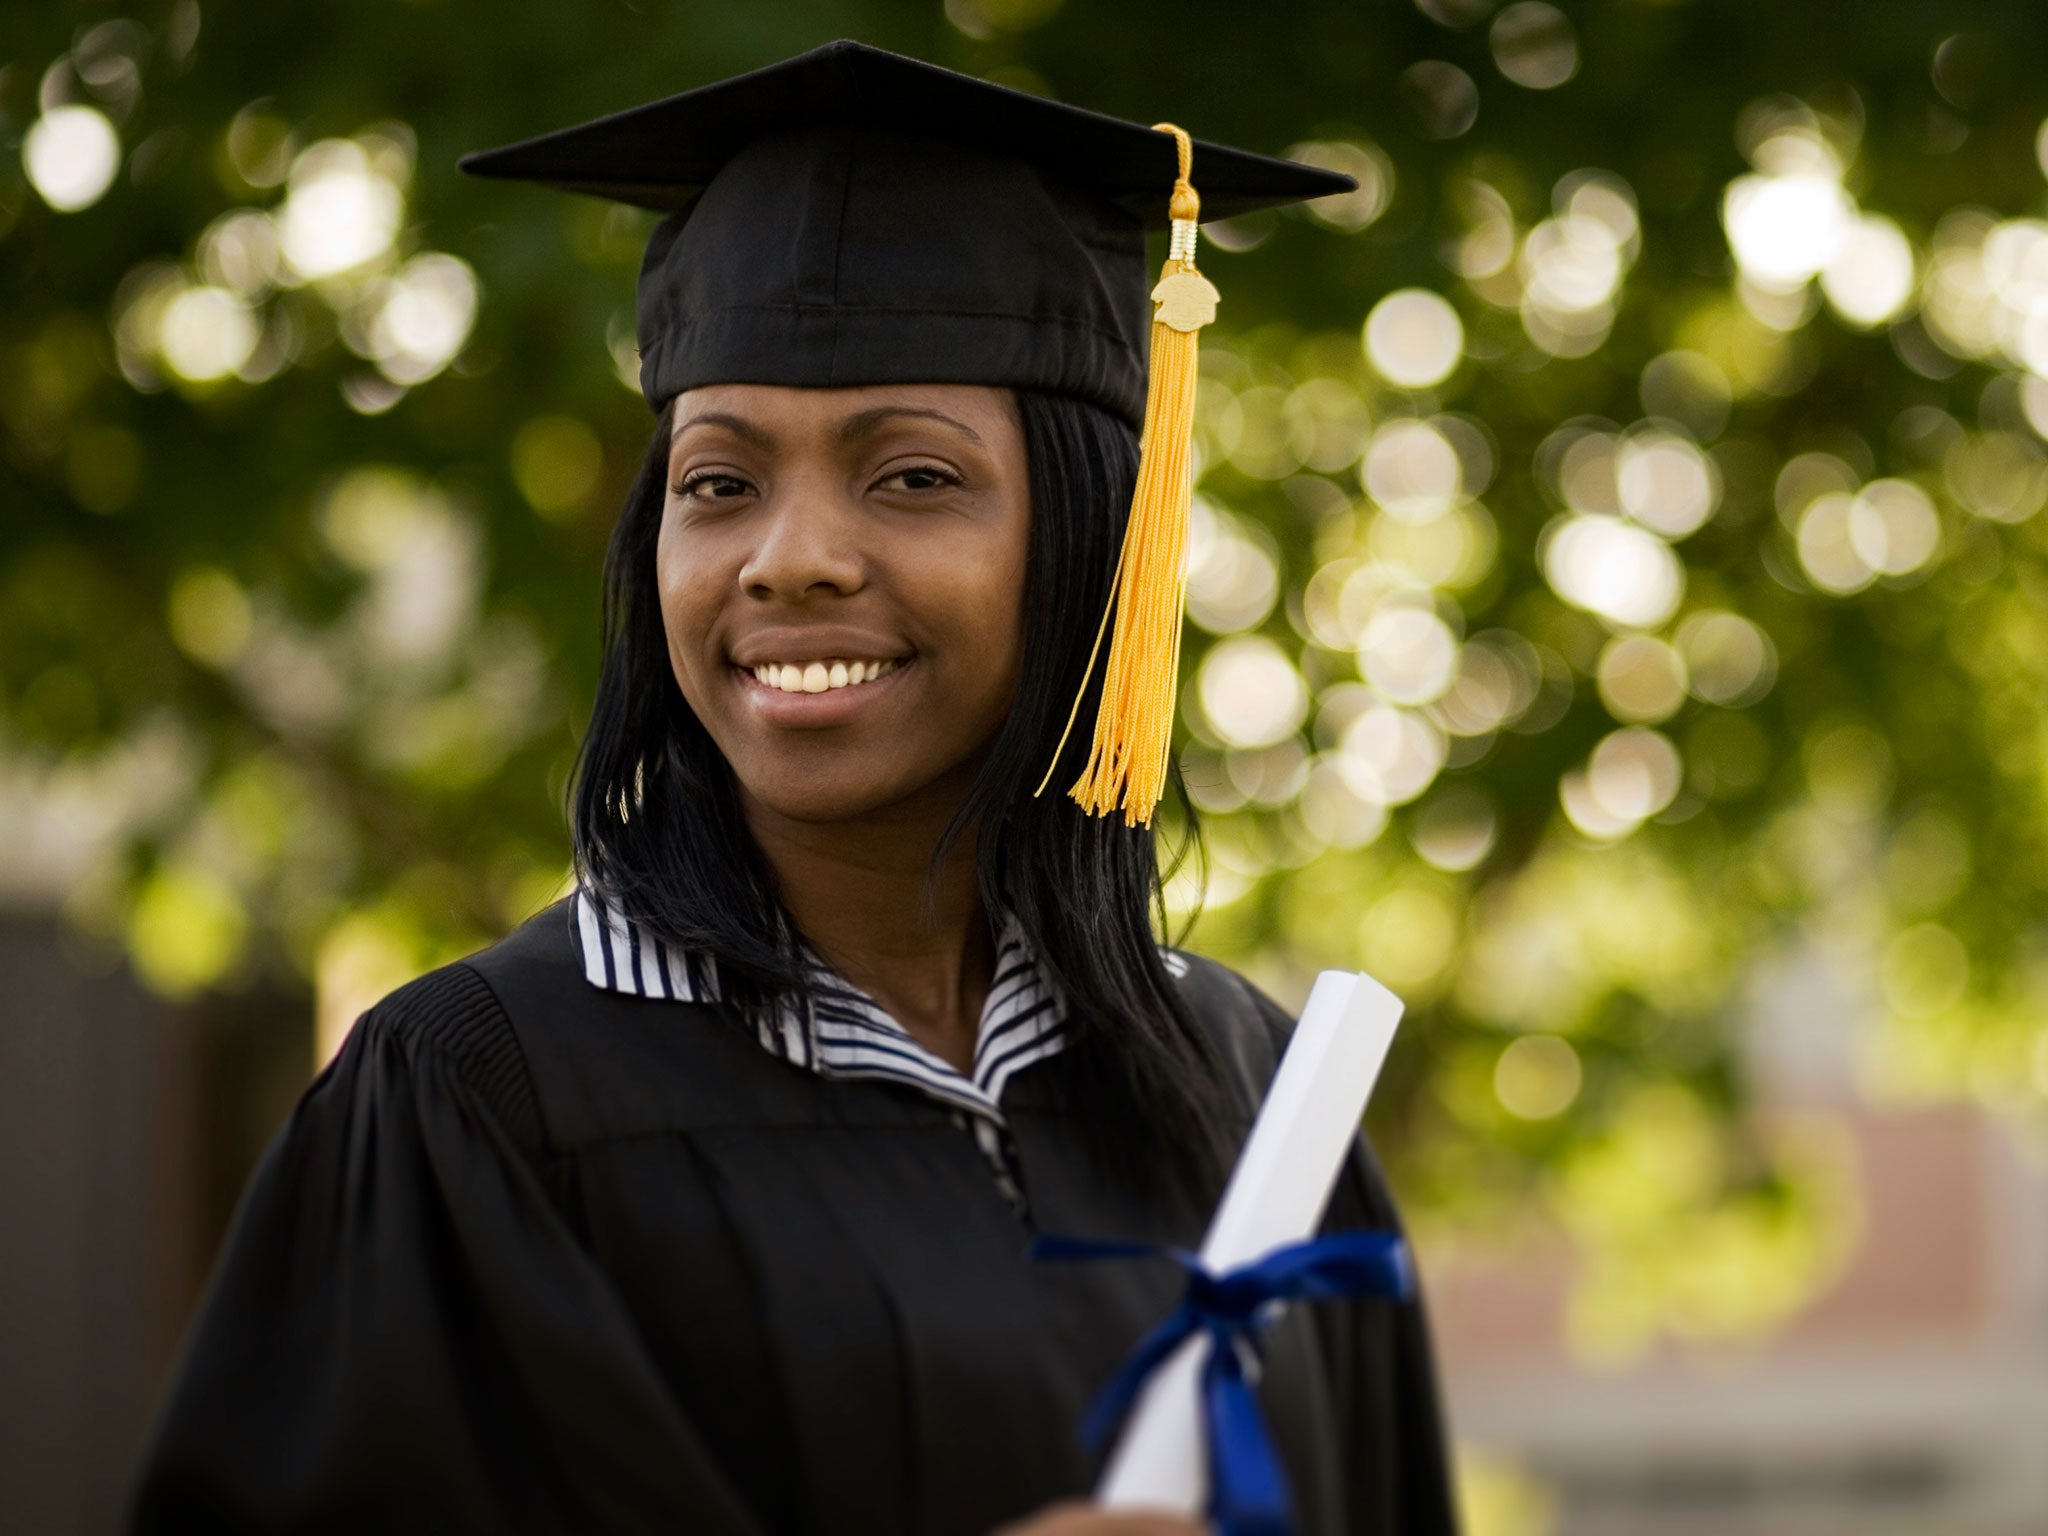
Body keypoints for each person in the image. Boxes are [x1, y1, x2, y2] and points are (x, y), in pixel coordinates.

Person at [127, 39, 1461, 1536]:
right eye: (720, 482)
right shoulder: (477, 1099)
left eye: (914, 478)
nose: (791, 555)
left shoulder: (1253, 1095)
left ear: (1095, 540)